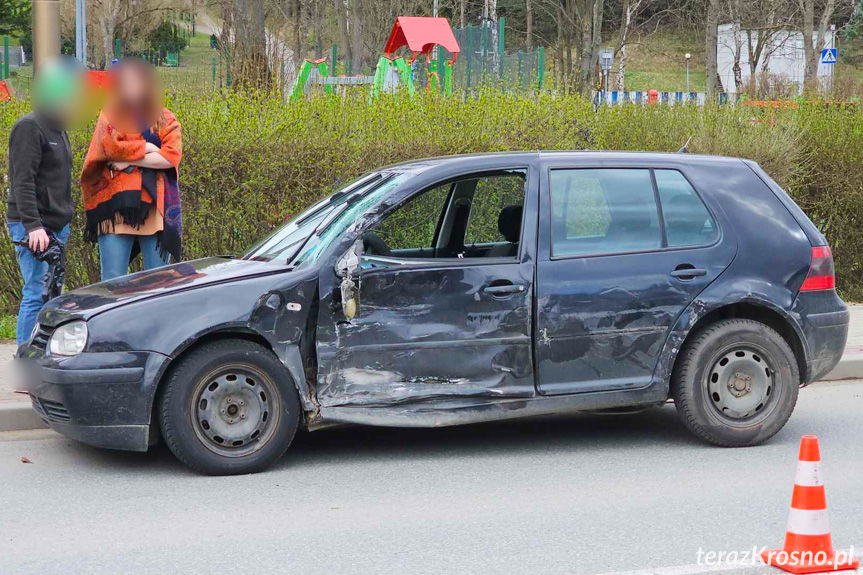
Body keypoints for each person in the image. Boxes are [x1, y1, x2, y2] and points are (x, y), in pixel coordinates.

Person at [80, 58, 183, 281]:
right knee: (112, 281)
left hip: (155, 209)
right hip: (115, 208)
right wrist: (146, 147)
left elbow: (170, 157)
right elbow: (109, 148)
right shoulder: (110, 116)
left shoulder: (165, 118)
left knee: (158, 282)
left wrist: (130, 160)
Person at [6, 58, 83, 345]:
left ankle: (44, 358)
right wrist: (32, 226)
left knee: (53, 293)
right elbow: (21, 180)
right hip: (35, 227)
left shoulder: (59, 129)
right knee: (36, 291)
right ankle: (26, 364)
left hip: (58, 224)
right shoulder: (29, 127)